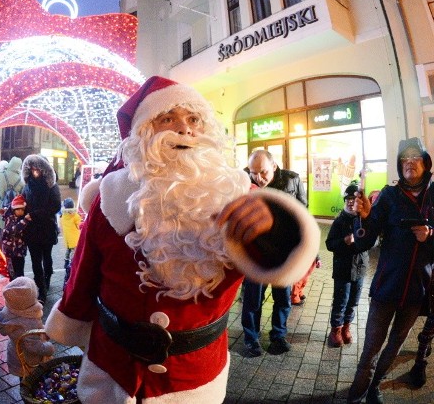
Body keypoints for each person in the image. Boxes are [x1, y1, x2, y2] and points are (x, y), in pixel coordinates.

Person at [44, 76, 319, 403]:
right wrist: (65, 326)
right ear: (145, 132)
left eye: (193, 120)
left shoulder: (240, 197)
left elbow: (291, 263)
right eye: (167, 119)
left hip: (193, 378)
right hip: (111, 370)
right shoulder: (111, 198)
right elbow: (82, 275)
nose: (184, 129)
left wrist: (275, 227)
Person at [347, 137, 434, 404]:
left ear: (426, 163)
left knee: (395, 343)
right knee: (372, 344)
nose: (409, 163)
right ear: (399, 165)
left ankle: (375, 387)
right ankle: (357, 391)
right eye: (404, 159)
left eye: (415, 158)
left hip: (417, 290)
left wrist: (430, 235)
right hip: (386, 287)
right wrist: (360, 216)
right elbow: (365, 240)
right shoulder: (389, 195)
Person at [242, 149, 308, 356]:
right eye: (253, 172)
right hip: (255, 254)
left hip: (283, 253)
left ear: (274, 167)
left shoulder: (292, 180)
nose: (258, 178)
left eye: (263, 172)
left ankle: (278, 336)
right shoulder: (243, 180)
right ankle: (251, 338)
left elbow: (303, 214)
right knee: (253, 299)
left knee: (283, 298)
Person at [325, 182, 369, 348]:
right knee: (341, 301)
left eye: (355, 198)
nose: (351, 202)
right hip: (343, 269)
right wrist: (344, 241)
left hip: (360, 269)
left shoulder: (364, 220)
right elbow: (329, 244)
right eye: (348, 198)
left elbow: (371, 243)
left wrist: (363, 241)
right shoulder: (339, 221)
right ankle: (335, 330)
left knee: (354, 301)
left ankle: (346, 328)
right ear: (345, 201)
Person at [0, 276, 55, 378]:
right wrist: (48, 348)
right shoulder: (30, 321)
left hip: (15, 354)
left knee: (23, 379)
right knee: (32, 381)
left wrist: (42, 330)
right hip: (30, 361)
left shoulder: (7, 312)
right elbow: (34, 346)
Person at [21, 154, 61, 304]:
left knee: (47, 257)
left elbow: (55, 206)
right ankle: (41, 290)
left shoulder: (52, 185)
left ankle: (47, 277)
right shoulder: (28, 185)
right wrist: (15, 208)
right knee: (35, 261)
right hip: (32, 230)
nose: (34, 172)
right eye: (32, 169)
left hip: (46, 228)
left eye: (37, 169)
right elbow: (23, 201)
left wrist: (34, 214)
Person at [0, 156, 23, 238]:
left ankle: (0, 250)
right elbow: (22, 196)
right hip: (13, 211)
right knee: (10, 236)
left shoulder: (0, 175)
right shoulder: (21, 180)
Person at [0, 194, 31, 279]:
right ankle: (14, 284)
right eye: (18, 210)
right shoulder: (10, 218)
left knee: (20, 269)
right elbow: (14, 229)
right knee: (12, 271)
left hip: (20, 250)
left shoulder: (21, 218)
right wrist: (25, 220)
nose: (20, 211)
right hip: (10, 250)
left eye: (22, 210)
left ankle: (21, 284)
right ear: (14, 210)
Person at [60, 197, 82, 287]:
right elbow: (79, 224)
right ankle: (72, 262)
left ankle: (66, 262)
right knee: (73, 251)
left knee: (68, 250)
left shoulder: (63, 216)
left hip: (67, 238)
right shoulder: (75, 215)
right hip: (74, 238)